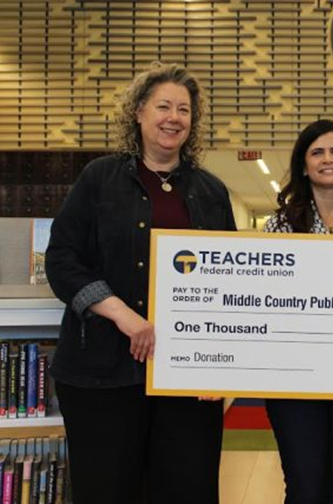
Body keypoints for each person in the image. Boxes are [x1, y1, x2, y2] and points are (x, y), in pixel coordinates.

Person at [45, 62, 236, 504]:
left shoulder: (211, 191)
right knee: (108, 490)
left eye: (184, 110)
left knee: (188, 488)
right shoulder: (99, 179)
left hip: (186, 378)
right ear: (138, 113)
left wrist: (221, 364)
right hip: (101, 375)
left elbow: (228, 283)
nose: (174, 117)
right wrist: (125, 317)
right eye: (163, 106)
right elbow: (63, 260)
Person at [264, 119, 333, 504]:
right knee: (304, 487)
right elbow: (267, 302)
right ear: (303, 165)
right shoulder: (279, 227)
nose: (327, 159)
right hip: (293, 379)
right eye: (317, 152)